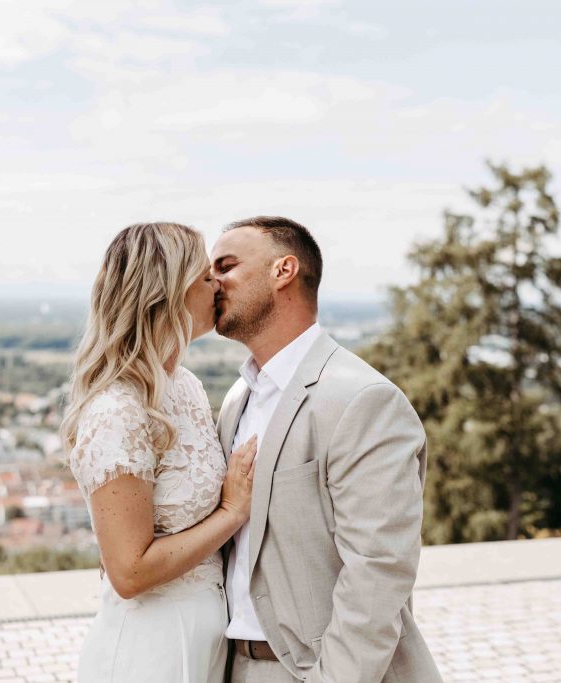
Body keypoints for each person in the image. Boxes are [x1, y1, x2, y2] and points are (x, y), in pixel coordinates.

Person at [211, 216, 443, 683]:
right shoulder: (239, 398)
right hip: (231, 667)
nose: (211, 281)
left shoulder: (362, 398)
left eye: (227, 265)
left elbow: (378, 571)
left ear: (284, 271)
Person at [63, 222, 257, 683]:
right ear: (168, 293)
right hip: (151, 650)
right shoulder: (117, 410)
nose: (218, 284)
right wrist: (232, 512)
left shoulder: (184, 386)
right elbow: (128, 573)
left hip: (203, 640)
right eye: (205, 275)